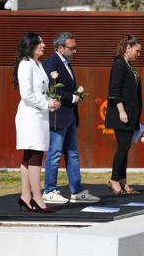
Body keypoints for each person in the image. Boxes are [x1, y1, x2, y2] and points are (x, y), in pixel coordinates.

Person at [42, 32, 100, 204]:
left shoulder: (66, 63)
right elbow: (52, 89)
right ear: (60, 48)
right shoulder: (52, 63)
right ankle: (49, 190)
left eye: (75, 47)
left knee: (73, 154)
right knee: (54, 154)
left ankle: (77, 190)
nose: (75, 51)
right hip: (58, 117)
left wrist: (76, 95)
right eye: (71, 48)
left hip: (69, 116)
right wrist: (72, 97)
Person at [14, 32, 61, 213]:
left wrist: (51, 101)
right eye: (40, 42)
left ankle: (26, 197)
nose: (43, 45)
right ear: (31, 45)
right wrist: (46, 103)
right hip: (30, 116)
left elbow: (40, 91)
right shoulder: (26, 65)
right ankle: (37, 198)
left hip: (39, 115)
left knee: (29, 156)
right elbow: (26, 94)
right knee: (35, 156)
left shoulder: (37, 64)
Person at [105, 34, 142, 195]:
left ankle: (122, 181)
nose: (138, 54)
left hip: (131, 114)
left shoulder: (129, 65)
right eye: (137, 50)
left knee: (125, 149)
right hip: (122, 114)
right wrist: (121, 111)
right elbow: (115, 90)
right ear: (128, 48)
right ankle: (114, 180)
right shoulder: (119, 64)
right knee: (123, 148)